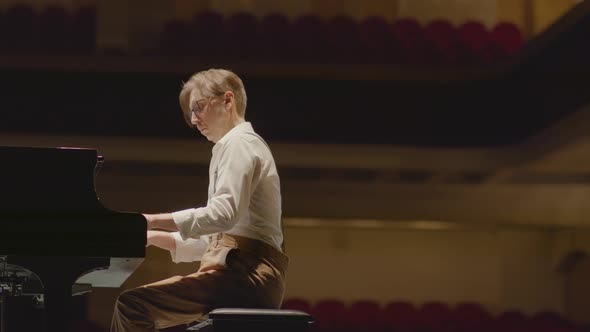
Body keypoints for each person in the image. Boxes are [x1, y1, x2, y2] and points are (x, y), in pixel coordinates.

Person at [110, 69, 288, 332]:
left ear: (228, 100)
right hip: (246, 271)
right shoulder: (237, 145)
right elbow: (212, 240)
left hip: (246, 274)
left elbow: (222, 215)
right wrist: (150, 235)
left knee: (132, 306)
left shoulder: (238, 143)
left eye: (199, 107)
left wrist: (149, 219)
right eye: (190, 114)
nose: (194, 120)